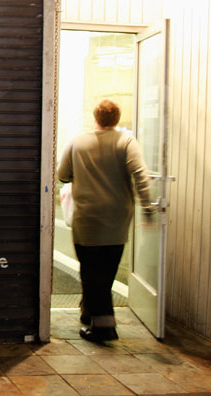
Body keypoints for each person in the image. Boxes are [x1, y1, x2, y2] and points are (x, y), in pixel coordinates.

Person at [57, 99, 154, 342]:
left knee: (90, 270)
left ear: (95, 118)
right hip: (117, 218)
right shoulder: (126, 142)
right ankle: (90, 310)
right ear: (117, 119)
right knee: (107, 270)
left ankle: (103, 327)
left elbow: (62, 175)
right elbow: (141, 176)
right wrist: (149, 209)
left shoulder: (78, 141)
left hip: (87, 218)